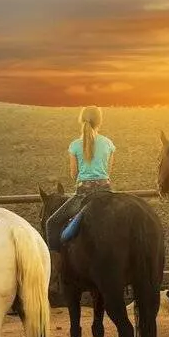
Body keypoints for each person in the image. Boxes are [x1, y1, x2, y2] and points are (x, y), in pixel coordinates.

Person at [45, 105, 115, 261]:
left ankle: (56, 267)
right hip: (106, 192)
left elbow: (73, 174)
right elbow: (108, 173)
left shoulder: (75, 145)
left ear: (81, 121)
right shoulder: (109, 144)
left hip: (83, 195)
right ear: (99, 122)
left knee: (51, 223)